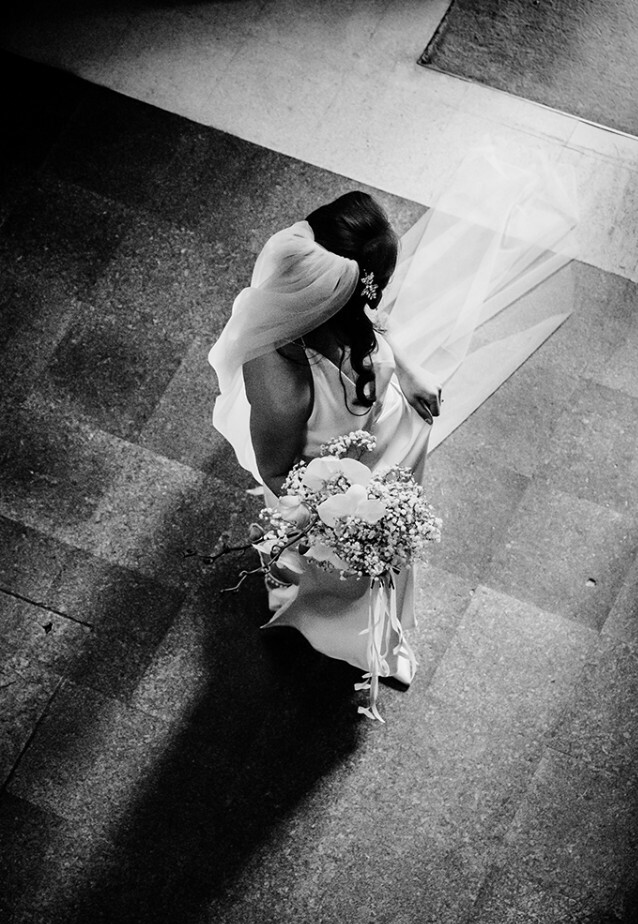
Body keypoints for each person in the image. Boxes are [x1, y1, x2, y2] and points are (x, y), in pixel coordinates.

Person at [209, 148, 577, 700]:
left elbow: (373, 320)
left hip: (386, 450)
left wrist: (408, 366)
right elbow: (280, 474)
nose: (379, 293)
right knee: (349, 572)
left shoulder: (339, 302)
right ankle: (347, 633)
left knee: (389, 566)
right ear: (338, 288)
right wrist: (359, 513)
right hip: (337, 495)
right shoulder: (282, 382)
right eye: (374, 282)